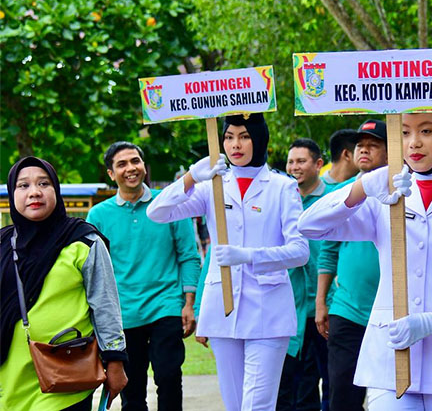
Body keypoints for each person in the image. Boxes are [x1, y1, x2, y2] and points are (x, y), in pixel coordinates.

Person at [299, 113, 432, 410]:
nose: (414, 142)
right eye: (404, 132)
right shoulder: (385, 196)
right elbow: (310, 225)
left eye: (426, 131)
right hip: (391, 360)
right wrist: (367, 184)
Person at [147, 114, 309, 411]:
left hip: (268, 311)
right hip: (223, 308)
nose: (236, 144)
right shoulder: (214, 185)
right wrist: (191, 177)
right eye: (229, 137)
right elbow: (156, 212)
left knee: (257, 405)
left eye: (244, 136)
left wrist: (249, 256)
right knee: (234, 405)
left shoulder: (281, 187)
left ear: (259, 139)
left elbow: (300, 251)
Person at [0, 157, 128, 411]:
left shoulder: (83, 240)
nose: (34, 192)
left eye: (43, 183)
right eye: (23, 186)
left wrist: (115, 361)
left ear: (56, 191)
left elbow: (105, 305)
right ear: (12, 194)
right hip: (10, 377)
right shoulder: (3, 244)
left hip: (66, 375)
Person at [87, 142, 201, 411]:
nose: (131, 168)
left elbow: (188, 255)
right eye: (122, 164)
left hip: (166, 307)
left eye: (135, 161)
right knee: (131, 387)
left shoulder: (170, 204)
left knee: (169, 376)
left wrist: (189, 303)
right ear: (111, 174)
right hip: (123, 313)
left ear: (144, 166)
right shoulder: (98, 215)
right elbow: (92, 270)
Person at [314, 120, 386, 411]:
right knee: (343, 395)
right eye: (360, 145)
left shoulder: (407, 192)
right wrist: (322, 302)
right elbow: (327, 253)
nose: (364, 150)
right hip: (347, 309)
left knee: (389, 395)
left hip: (391, 312)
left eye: (373, 144)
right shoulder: (343, 194)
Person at [279, 138, 331, 411]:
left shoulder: (334, 198)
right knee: (297, 385)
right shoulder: (282, 199)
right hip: (292, 307)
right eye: (291, 162)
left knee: (333, 382)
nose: (294, 167)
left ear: (318, 164)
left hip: (330, 306)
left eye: (301, 161)